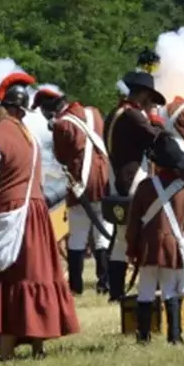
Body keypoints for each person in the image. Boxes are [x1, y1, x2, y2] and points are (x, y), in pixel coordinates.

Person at [0, 95, 79, 360]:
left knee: (9, 279)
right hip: (36, 213)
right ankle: (37, 346)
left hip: (9, 213)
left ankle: (6, 350)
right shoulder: (26, 135)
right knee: (34, 275)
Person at [124, 131, 184, 345]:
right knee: (170, 291)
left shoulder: (144, 187)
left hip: (147, 247)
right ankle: (175, 336)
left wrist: (131, 248)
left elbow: (133, 223)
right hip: (172, 245)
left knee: (145, 290)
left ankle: (143, 337)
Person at [35, 85, 112, 295]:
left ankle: (76, 285)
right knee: (102, 234)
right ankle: (104, 283)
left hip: (83, 184)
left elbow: (61, 157)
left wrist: (55, 131)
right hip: (104, 180)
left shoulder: (61, 125)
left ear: (47, 110)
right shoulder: (94, 112)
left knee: (78, 235)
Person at [102, 70, 168, 301]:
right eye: (150, 100)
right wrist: (158, 123)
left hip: (116, 182)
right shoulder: (133, 116)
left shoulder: (115, 113)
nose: (151, 105)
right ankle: (151, 289)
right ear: (142, 96)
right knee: (148, 234)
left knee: (121, 241)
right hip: (132, 184)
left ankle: (116, 292)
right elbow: (159, 142)